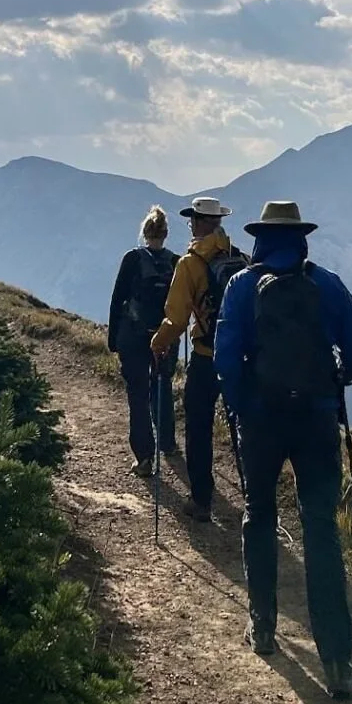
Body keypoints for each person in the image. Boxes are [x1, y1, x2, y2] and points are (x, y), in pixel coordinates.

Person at [213, 200, 352, 701]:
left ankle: (263, 628)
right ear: (301, 236)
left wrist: (243, 408)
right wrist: (334, 379)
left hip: (262, 421)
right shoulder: (326, 284)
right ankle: (338, 662)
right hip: (316, 420)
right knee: (320, 527)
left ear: (260, 237)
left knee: (259, 513)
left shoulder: (241, 287)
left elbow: (225, 360)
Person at [148, 195, 248, 524]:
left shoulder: (189, 265)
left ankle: (202, 501)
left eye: (193, 219)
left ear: (198, 223)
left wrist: (158, 343)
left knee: (199, 427)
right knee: (242, 428)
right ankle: (253, 499)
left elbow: (176, 319)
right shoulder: (239, 257)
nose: (190, 224)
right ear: (218, 222)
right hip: (240, 358)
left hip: (206, 357)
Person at [107, 205, 180, 477]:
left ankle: (144, 457)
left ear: (144, 232)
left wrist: (113, 339)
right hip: (164, 335)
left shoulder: (132, 259)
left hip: (134, 336)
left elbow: (118, 299)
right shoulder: (176, 262)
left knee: (138, 395)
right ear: (166, 233)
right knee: (162, 385)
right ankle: (168, 443)